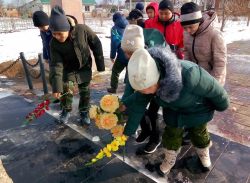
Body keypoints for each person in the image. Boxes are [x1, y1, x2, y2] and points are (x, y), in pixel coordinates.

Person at [121, 46, 229, 176]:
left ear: (157, 80)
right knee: (171, 135)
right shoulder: (147, 85)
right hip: (174, 112)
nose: (142, 93)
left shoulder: (189, 74)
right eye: (140, 90)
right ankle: (169, 160)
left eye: (145, 89)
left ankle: (203, 154)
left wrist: (222, 105)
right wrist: (127, 130)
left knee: (199, 134)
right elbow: (138, 106)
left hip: (198, 110)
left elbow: (215, 89)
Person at [49, 6, 105, 124]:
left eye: (59, 33)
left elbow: (96, 43)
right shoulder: (54, 43)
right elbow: (56, 65)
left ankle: (84, 111)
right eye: (54, 34)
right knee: (66, 90)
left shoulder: (82, 30)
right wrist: (56, 87)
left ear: (67, 28)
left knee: (85, 91)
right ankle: (66, 110)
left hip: (84, 67)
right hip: (68, 70)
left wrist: (100, 65)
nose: (57, 37)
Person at [121, 25, 166, 153]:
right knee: (135, 103)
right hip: (148, 84)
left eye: (130, 53)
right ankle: (146, 130)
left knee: (153, 112)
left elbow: (141, 100)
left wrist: (127, 133)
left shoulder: (151, 60)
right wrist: (123, 104)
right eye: (125, 52)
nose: (127, 56)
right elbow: (130, 87)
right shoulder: (134, 58)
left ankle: (155, 138)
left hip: (162, 84)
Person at [180, 2, 227, 86]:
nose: (187, 31)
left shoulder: (214, 34)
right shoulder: (186, 33)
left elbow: (220, 63)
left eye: (191, 26)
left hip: (211, 78)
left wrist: (214, 85)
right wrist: (187, 73)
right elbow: (187, 53)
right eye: (184, 27)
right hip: (195, 78)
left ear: (199, 21)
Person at [107, 12, 129, 94]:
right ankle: (128, 88)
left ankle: (113, 88)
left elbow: (114, 42)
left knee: (115, 71)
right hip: (131, 52)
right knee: (129, 71)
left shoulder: (114, 28)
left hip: (122, 54)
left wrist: (112, 55)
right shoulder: (129, 25)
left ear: (115, 20)